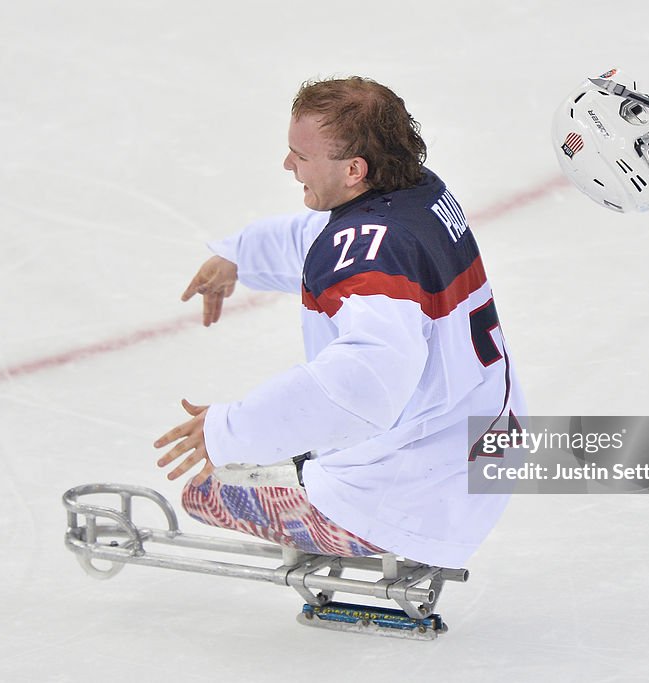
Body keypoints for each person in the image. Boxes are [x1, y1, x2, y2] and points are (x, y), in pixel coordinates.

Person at [154, 76, 525, 568]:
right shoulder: (416, 195)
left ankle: (363, 519)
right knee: (287, 447)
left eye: (301, 156)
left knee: (206, 489)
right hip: (486, 445)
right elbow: (329, 241)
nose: (288, 165)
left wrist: (229, 429)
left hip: (419, 498)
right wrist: (240, 254)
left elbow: (363, 383)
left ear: (353, 169)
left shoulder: (370, 253)